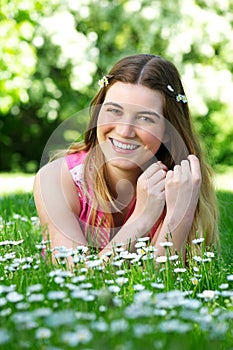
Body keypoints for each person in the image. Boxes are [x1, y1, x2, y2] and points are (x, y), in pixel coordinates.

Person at [33, 54, 219, 262]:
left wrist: (179, 214)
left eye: (145, 118)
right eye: (114, 110)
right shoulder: (56, 179)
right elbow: (76, 278)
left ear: (168, 130)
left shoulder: (179, 185)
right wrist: (141, 218)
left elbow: (161, 282)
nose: (125, 131)